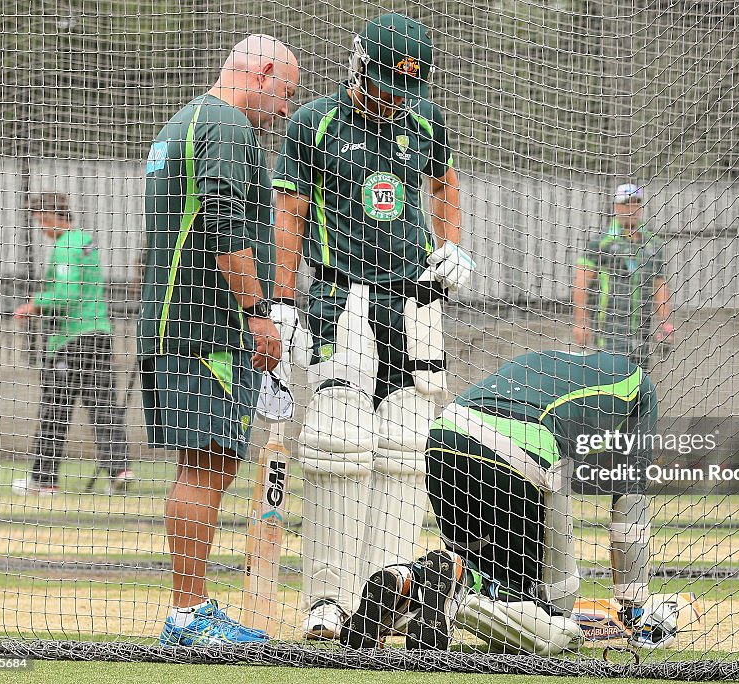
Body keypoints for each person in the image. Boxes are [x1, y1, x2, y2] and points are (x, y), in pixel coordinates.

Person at [272, 13, 475, 639]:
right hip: (342, 297)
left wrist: (454, 246)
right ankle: (328, 600)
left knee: (409, 450)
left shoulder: (424, 120)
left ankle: (385, 594)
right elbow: (290, 213)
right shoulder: (316, 123)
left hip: (416, 302)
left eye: (404, 87)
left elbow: (444, 184)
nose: (394, 98)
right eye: (386, 84)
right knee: (336, 443)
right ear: (358, 66)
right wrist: (281, 303)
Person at [339, 349, 678, 654]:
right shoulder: (641, 391)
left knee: (473, 570)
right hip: (522, 450)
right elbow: (629, 515)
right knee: (557, 614)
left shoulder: (550, 361)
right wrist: (633, 608)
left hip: (445, 436)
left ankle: (403, 581)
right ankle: (462, 598)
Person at [138, 34, 299, 646]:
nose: (286, 110)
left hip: (172, 323)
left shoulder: (183, 122)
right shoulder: (228, 127)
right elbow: (223, 223)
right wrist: (259, 311)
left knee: (209, 463)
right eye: (287, 92)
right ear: (260, 72)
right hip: (205, 328)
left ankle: (189, 611)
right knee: (207, 465)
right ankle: (186, 617)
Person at [11, 192, 131, 496]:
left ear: (51, 217)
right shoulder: (86, 242)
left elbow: (66, 295)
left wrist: (33, 305)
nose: (41, 229)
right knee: (103, 405)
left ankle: (44, 480)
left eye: (41, 221)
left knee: (55, 409)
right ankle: (120, 469)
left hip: (71, 341)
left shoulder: (64, 247)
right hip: (99, 335)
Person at [573, 183, 673, 366]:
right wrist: (581, 322)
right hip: (610, 331)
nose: (632, 208)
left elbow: (659, 285)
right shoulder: (601, 243)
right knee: (612, 382)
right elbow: (581, 284)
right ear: (616, 207)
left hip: (642, 331)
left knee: (638, 384)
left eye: (636, 203)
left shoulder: (653, 244)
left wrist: (665, 323)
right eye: (627, 203)